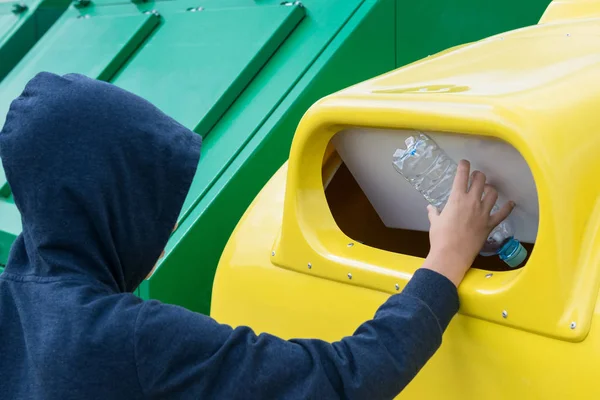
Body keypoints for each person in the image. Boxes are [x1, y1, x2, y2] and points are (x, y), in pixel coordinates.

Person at [0, 73, 514, 400]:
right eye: (153, 207)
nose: (172, 225)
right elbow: (340, 379)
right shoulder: (129, 337)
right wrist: (445, 259)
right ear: (109, 205)